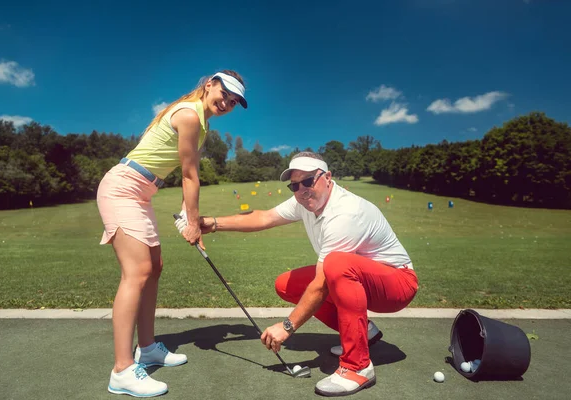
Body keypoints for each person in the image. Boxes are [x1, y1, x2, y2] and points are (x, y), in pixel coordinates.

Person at [178, 152, 418, 397]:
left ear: (327, 177)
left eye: (308, 181)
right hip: (362, 279)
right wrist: (212, 223)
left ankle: (358, 366)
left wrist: (287, 327)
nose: (302, 189)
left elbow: (322, 284)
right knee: (286, 285)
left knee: (336, 265)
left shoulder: (346, 212)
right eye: (295, 185)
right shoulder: (304, 202)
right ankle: (363, 331)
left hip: (397, 285)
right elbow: (264, 217)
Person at [96, 70, 248, 397]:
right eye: (225, 94)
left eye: (234, 101)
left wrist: (186, 215)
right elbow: (190, 176)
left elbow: (185, 175)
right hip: (123, 189)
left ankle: (147, 347)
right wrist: (192, 222)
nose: (228, 102)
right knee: (136, 273)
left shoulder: (198, 121)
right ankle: (121, 370)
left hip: (141, 193)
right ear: (209, 85)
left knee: (154, 269)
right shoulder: (190, 115)